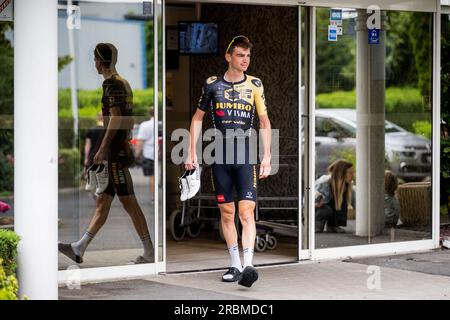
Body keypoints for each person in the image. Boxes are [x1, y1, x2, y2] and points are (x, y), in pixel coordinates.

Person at [185, 35, 272, 287]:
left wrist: (267, 156)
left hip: (245, 157)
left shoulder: (255, 84)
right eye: (240, 55)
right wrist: (192, 152)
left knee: (247, 211)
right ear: (228, 57)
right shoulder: (212, 85)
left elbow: (265, 122)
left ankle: (248, 266)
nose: (245, 60)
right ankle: (234, 264)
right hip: (220, 157)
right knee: (226, 212)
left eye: (247, 56)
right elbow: (197, 118)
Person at [58, 43, 154, 264]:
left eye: (95, 59)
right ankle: (79, 248)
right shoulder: (124, 83)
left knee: (129, 202)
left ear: (100, 61)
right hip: (119, 148)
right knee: (103, 202)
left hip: (115, 152)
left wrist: (103, 148)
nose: (95, 63)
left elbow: (117, 118)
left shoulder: (111, 84)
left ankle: (149, 251)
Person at [315, 159, 355, 233]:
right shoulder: (325, 183)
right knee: (325, 209)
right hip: (311, 211)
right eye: (350, 173)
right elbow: (309, 202)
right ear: (341, 173)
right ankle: (315, 226)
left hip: (321, 208)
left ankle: (333, 226)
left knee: (340, 201)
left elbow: (355, 202)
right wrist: (317, 203)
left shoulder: (346, 186)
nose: (353, 175)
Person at [135, 107, 155, 203]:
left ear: (149, 114)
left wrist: (137, 154)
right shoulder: (161, 124)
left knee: (152, 176)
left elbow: (140, 141)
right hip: (160, 153)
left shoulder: (145, 125)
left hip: (149, 154)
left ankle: (153, 197)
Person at [84, 112, 104, 178]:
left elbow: (88, 145)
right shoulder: (108, 131)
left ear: (97, 118)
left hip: (93, 156)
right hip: (105, 157)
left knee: (93, 178)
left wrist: (86, 158)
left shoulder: (91, 130)